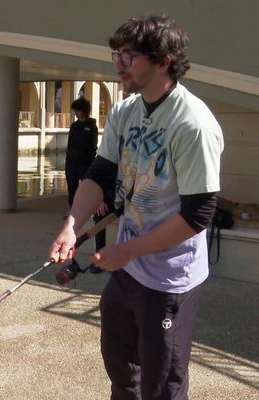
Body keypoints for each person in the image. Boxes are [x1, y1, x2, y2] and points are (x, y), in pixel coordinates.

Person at [49, 14, 223, 400]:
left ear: (163, 61)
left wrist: (125, 250)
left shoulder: (193, 125)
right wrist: (71, 226)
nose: (118, 64)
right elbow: (99, 174)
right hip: (127, 271)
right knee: (121, 370)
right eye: (116, 54)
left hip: (169, 280)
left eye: (129, 56)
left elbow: (198, 215)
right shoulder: (125, 112)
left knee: (162, 385)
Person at [65, 97, 98, 209]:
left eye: (78, 111)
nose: (76, 114)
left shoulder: (92, 127)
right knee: (72, 188)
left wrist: (91, 162)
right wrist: (68, 161)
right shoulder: (74, 126)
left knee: (86, 188)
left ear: (84, 111)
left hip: (85, 164)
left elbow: (93, 146)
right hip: (71, 163)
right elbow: (70, 145)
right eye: (75, 111)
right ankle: (72, 209)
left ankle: (87, 210)